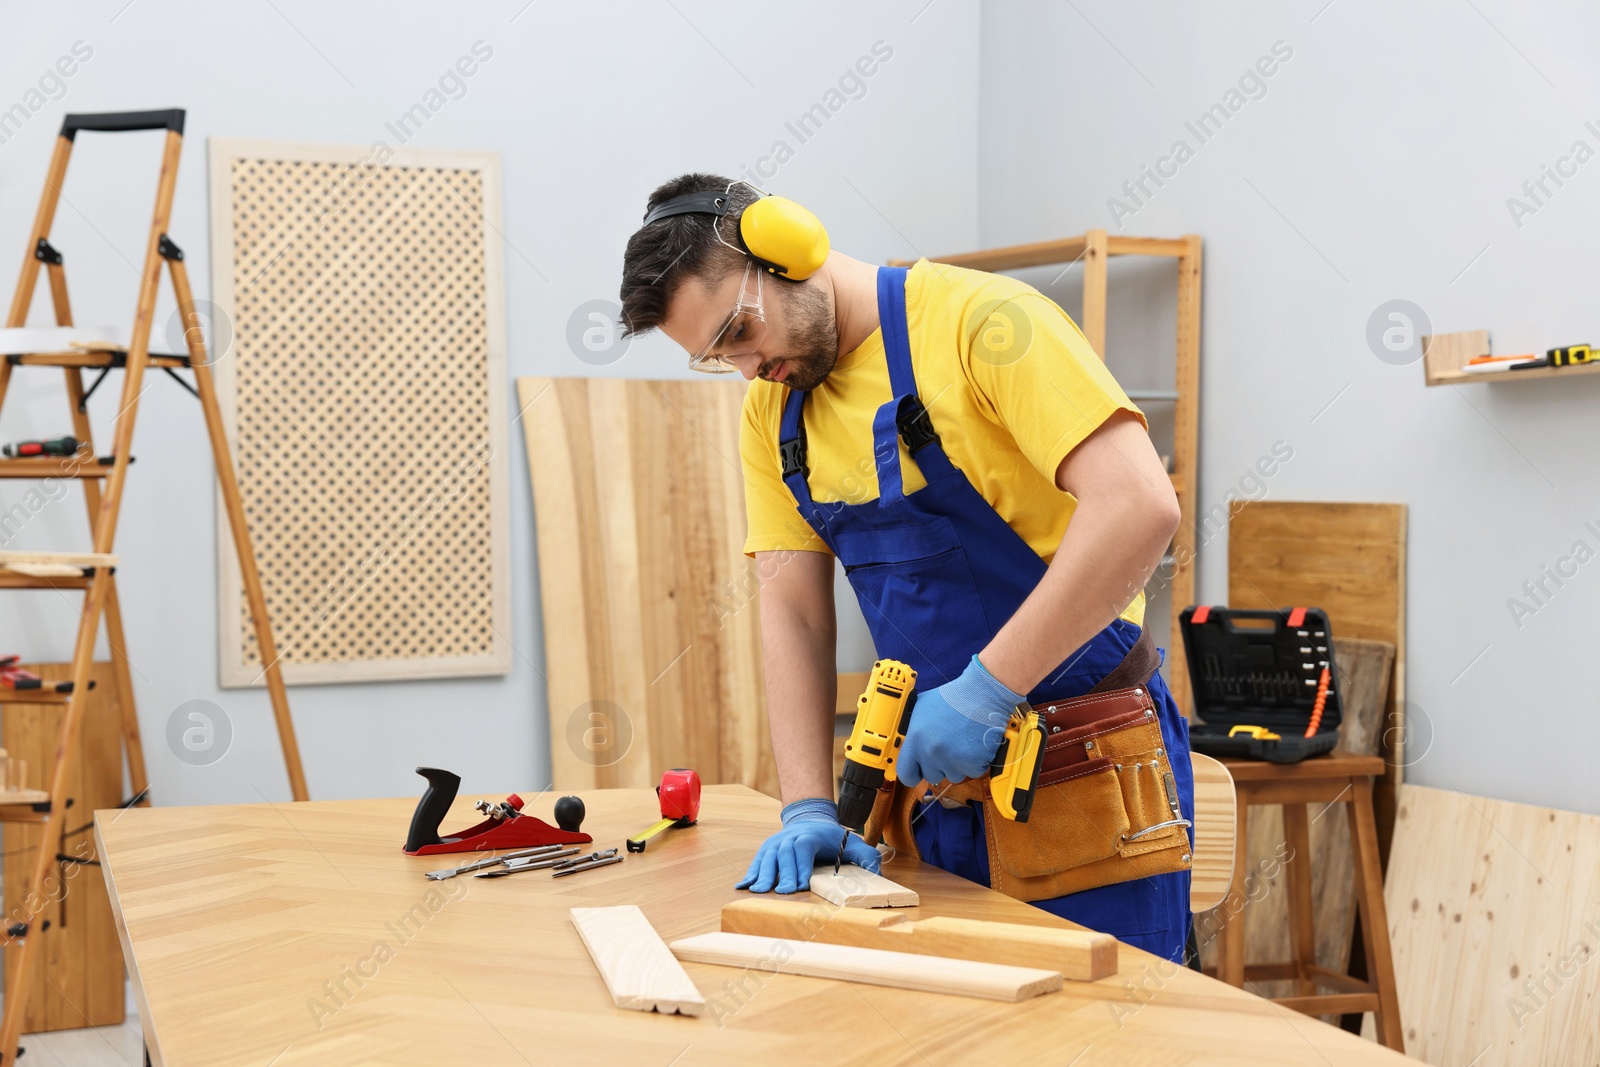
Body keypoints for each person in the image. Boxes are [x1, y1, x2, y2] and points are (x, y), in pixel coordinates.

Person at [617, 173, 1194, 961]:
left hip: (1079, 768)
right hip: (934, 789)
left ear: (791, 249)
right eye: (719, 357)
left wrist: (991, 686)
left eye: (742, 329)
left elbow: (1138, 505)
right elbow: (794, 610)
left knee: (1105, 1030)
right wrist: (807, 806)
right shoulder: (775, 413)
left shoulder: (984, 324)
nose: (749, 366)